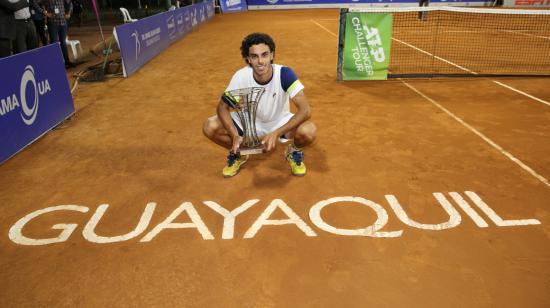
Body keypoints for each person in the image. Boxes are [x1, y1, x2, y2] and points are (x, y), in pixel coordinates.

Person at [203, 32, 317, 178]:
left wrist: (276, 133)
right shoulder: (241, 76)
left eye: (264, 55)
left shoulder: (284, 74)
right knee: (210, 126)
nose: (260, 61)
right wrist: (235, 135)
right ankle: (240, 153)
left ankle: (292, 151)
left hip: (279, 122)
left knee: (309, 131)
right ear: (248, 59)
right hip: (248, 123)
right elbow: (222, 107)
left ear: (272, 55)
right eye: (254, 56)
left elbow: (305, 110)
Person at [43, 0, 74, 67]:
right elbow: (37, 4)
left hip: (63, 23)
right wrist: (45, 13)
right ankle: (57, 64)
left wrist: (68, 13)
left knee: (63, 43)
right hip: (53, 24)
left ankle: (67, 62)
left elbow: (70, 3)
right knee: (54, 44)